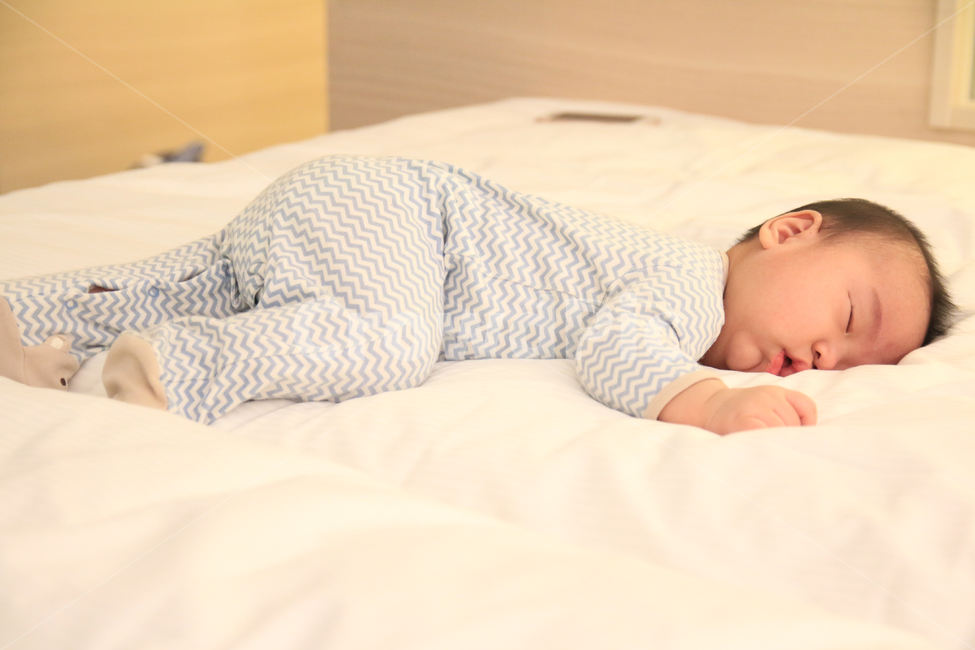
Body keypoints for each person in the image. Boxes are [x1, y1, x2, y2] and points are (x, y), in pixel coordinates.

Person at [0, 155, 956, 434]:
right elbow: (618, 347)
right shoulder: (687, 283)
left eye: (854, 362)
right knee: (384, 341)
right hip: (402, 212)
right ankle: (169, 370)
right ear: (788, 232)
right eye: (845, 319)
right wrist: (707, 400)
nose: (829, 360)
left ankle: (28, 322)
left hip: (354, 213)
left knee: (184, 281)